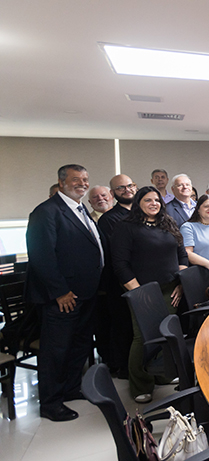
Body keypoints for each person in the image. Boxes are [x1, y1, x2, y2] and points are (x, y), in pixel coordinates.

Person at [25, 164, 104, 421]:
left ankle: (71, 389)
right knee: (56, 351)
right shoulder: (46, 212)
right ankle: (50, 403)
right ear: (61, 183)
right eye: (75, 179)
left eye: (85, 179)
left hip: (86, 293)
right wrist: (60, 292)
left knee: (79, 345)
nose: (82, 183)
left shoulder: (81, 210)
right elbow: (41, 256)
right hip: (63, 297)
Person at [111, 187, 187, 403]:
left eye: (157, 200)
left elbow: (182, 255)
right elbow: (120, 264)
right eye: (147, 200)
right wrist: (139, 293)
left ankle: (162, 374)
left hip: (170, 289)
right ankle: (140, 384)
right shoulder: (126, 227)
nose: (153, 203)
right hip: (142, 291)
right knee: (143, 337)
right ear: (138, 202)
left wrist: (180, 283)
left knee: (167, 333)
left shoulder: (168, 223)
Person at [96, 173, 138, 378]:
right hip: (121, 283)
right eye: (121, 188)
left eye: (129, 186)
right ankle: (125, 369)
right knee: (124, 328)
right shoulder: (109, 220)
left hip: (144, 280)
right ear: (113, 193)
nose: (126, 190)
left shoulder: (142, 215)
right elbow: (120, 255)